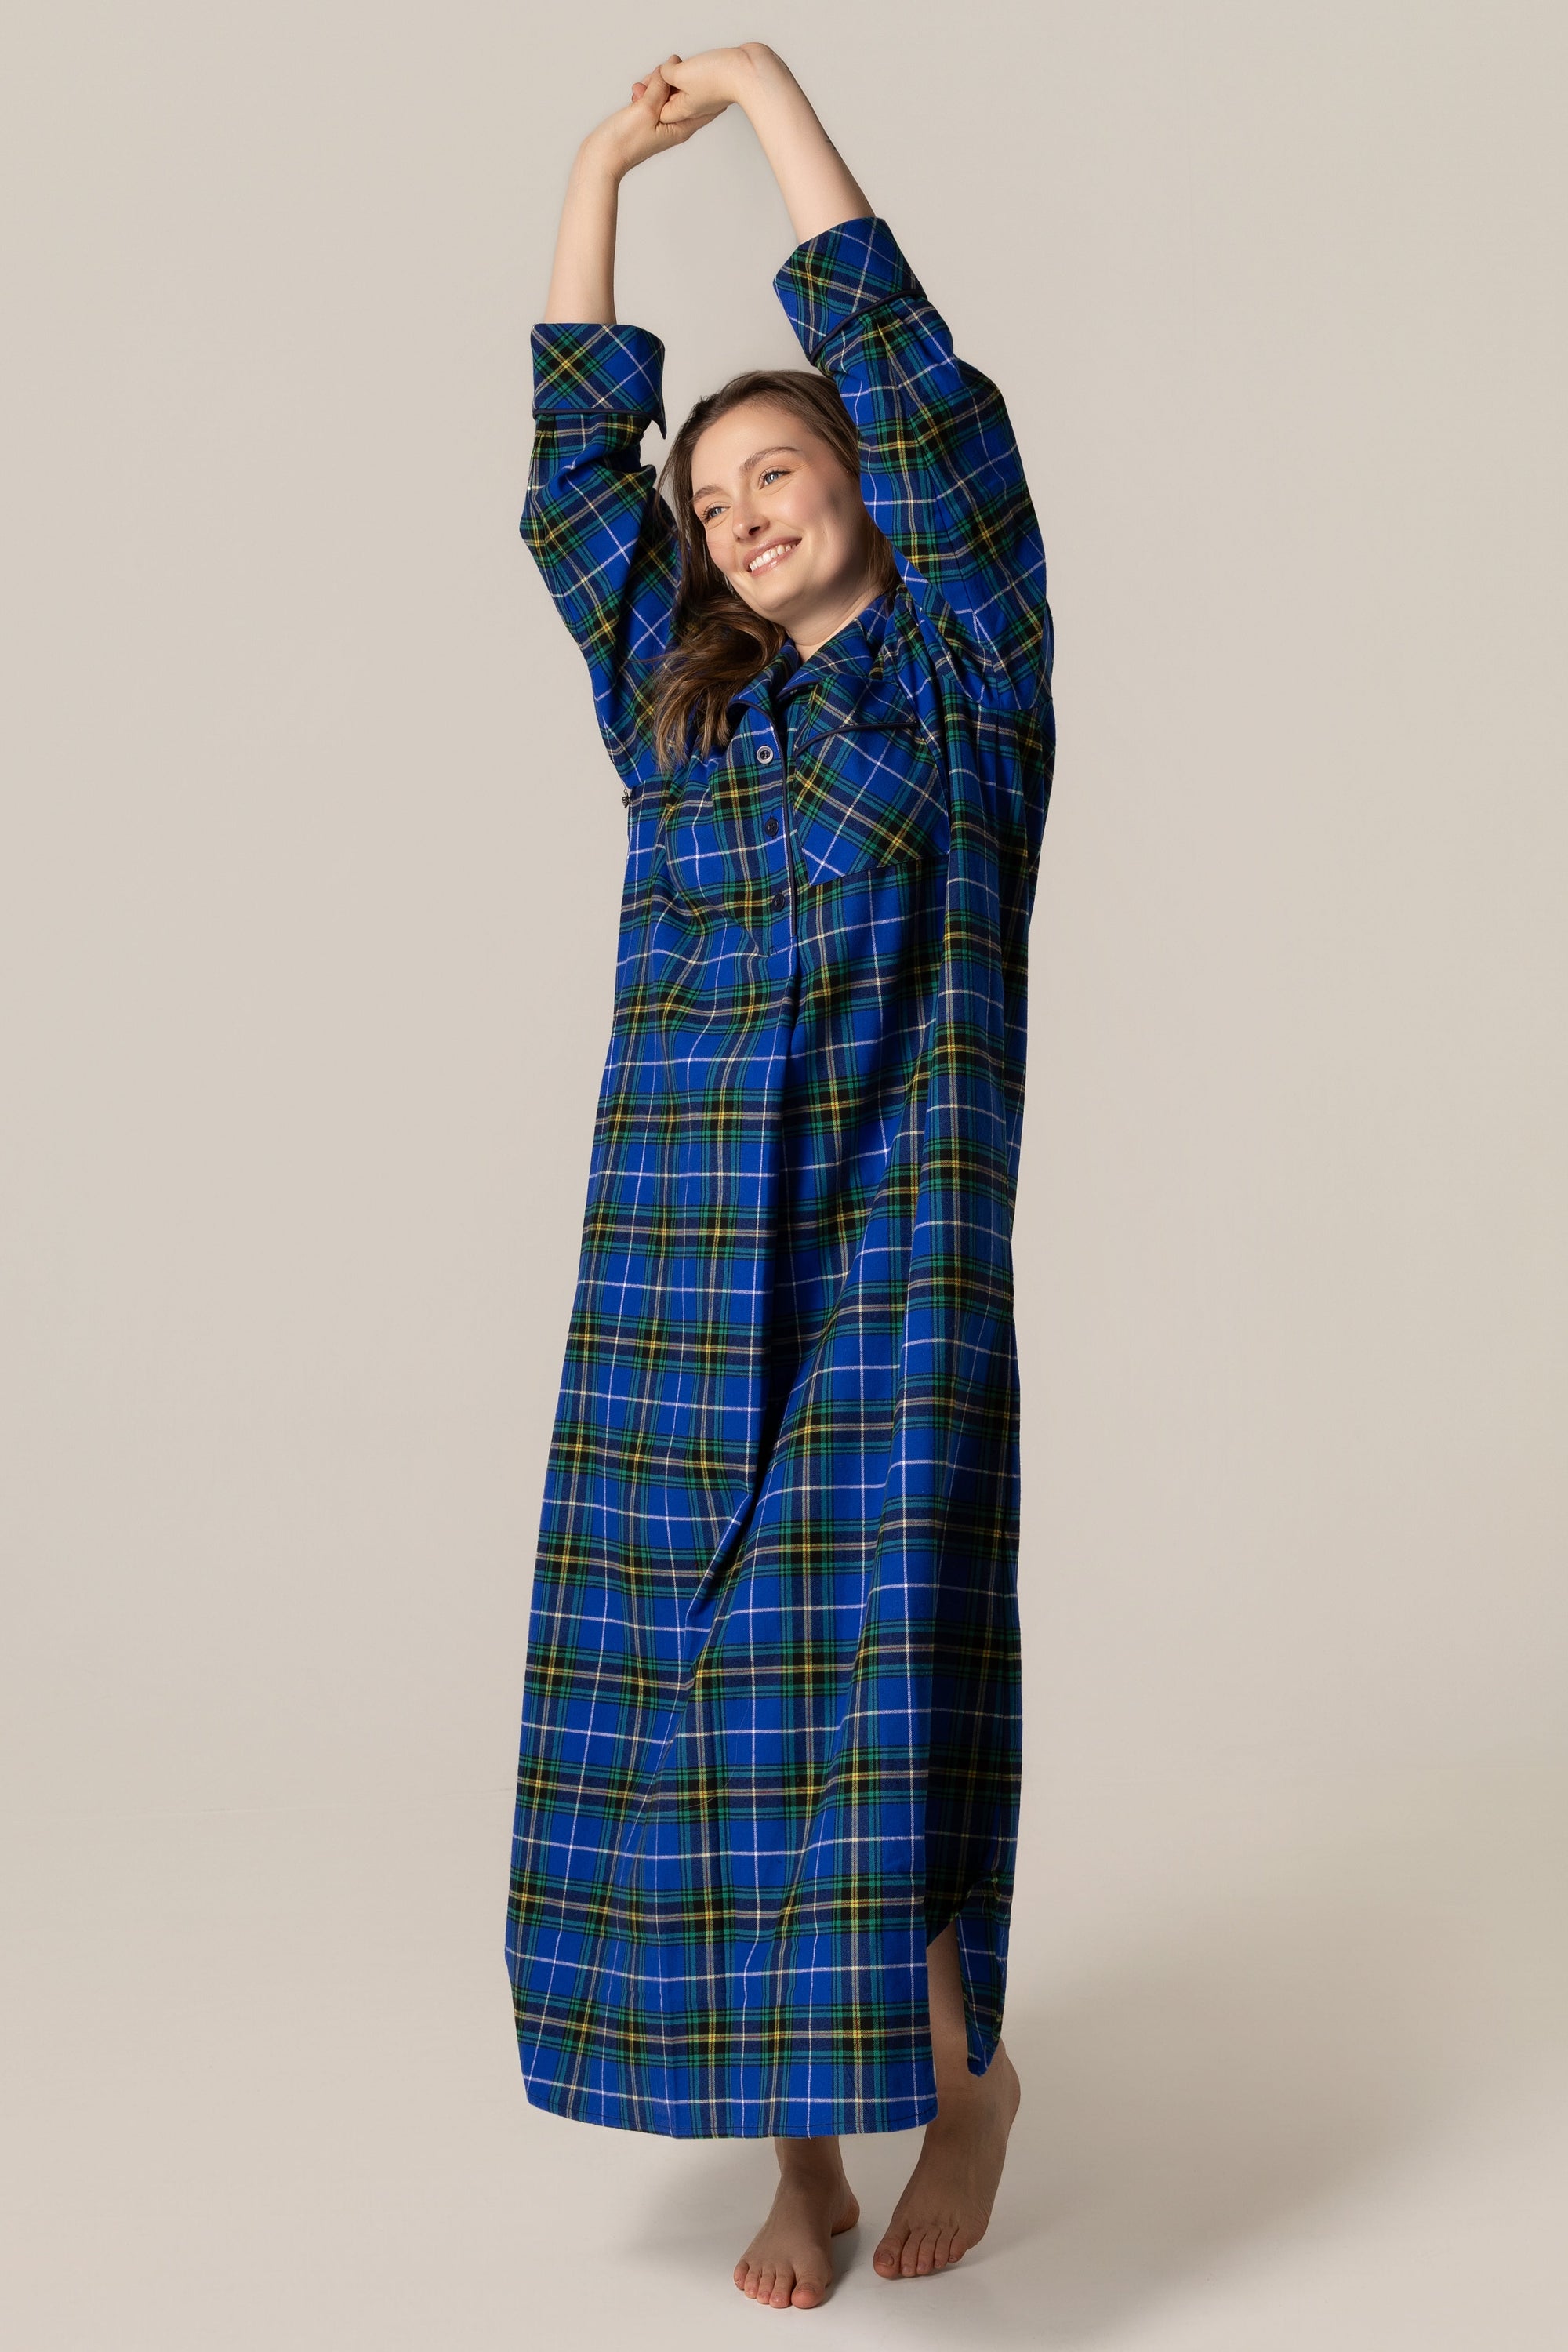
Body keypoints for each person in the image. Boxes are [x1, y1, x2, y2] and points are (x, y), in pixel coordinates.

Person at [506, 42, 1054, 2309]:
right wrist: (590, 177)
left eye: (776, 464)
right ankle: (798, 2163)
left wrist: (763, 96)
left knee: (859, 1701)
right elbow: (568, 489)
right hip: (667, 1288)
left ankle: (965, 2080)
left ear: (862, 484)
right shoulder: (687, 731)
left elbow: (926, 391)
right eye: (714, 492)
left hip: (885, 1276)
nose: (734, 507)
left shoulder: (967, 687)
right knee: (678, 1714)